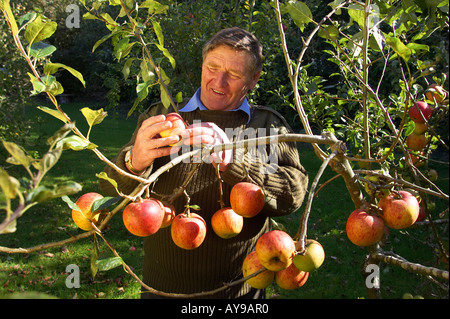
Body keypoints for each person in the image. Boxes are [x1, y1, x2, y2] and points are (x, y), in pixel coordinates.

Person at [99, 27, 309, 299]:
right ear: (202, 65)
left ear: (253, 79)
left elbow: (293, 195)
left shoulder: (266, 126)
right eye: (212, 67)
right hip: (163, 288)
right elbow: (108, 189)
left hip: (240, 292)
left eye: (233, 74)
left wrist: (235, 162)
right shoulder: (163, 117)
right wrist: (133, 161)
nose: (218, 82)